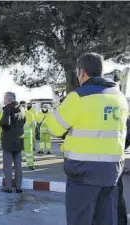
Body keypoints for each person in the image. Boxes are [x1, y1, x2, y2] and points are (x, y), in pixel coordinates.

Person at [45, 53, 128, 225]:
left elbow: (54, 128)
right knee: (107, 218)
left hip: (84, 172)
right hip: (112, 173)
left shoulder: (78, 97)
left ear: (82, 72)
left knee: (80, 219)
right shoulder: (120, 98)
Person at [0, 92, 26, 193]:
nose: (4, 100)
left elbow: (5, 122)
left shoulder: (7, 108)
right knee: (18, 164)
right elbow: (24, 122)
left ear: (9, 100)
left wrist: (0, 123)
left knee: (8, 165)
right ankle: (18, 186)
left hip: (8, 140)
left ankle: (8, 186)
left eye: (5, 98)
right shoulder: (22, 109)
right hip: (19, 139)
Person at [23, 102, 37, 170]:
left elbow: (33, 124)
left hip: (26, 135)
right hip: (25, 135)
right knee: (19, 151)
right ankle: (30, 164)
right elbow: (33, 125)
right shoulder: (30, 114)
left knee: (28, 150)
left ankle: (30, 164)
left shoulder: (29, 114)